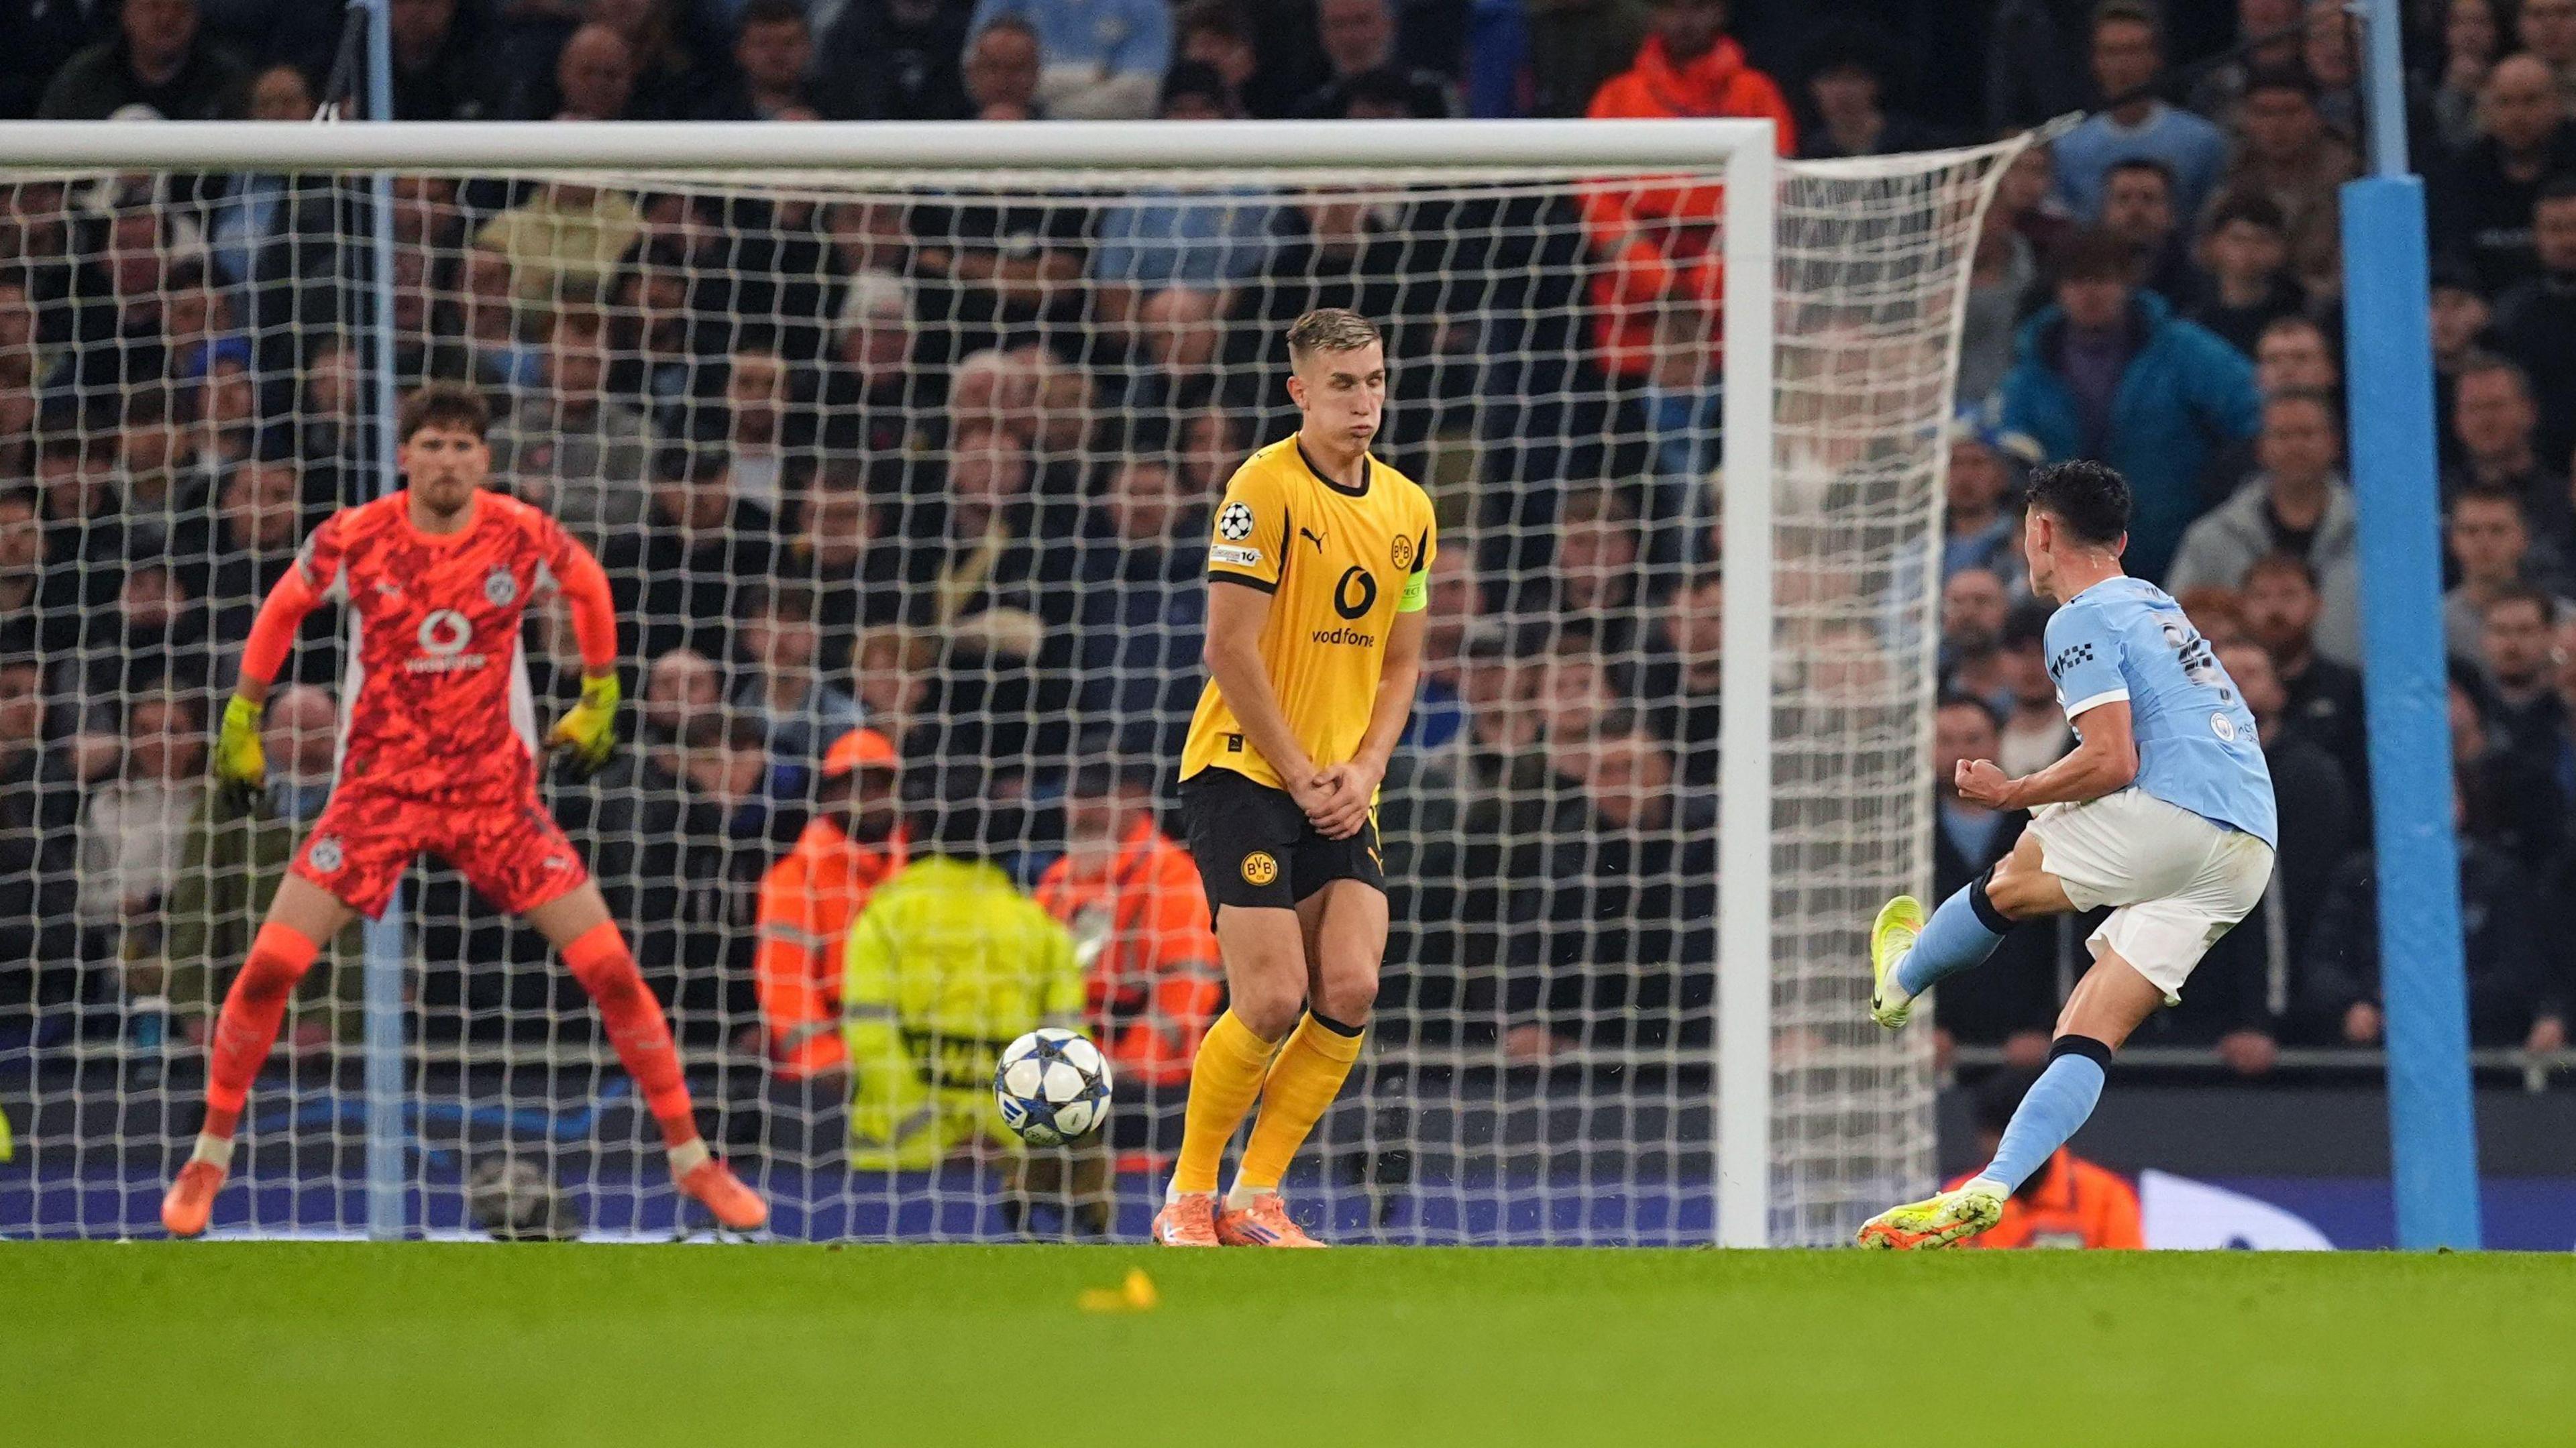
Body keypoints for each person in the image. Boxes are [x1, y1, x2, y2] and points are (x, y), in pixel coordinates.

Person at [158, 382, 765, 1237]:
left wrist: (601, 692)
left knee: (613, 972)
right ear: (405, 455)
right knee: (267, 970)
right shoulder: (357, 534)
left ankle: (694, 1160)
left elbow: (589, 583)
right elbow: (284, 605)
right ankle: (208, 1158)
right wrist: (242, 717)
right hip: (379, 795)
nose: (447, 459)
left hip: (493, 800)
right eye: (432, 444)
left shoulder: (520, 531)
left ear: (484, 457)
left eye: (462, 445)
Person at [1857, 459, 2276, 1249]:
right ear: (2121, 541)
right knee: (2087, 1030)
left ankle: (1899, 981)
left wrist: (2013, 790)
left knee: (2013, 875)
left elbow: (2112, 759)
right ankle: (1994, 1185)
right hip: (2249, 843)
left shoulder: (2078, 617)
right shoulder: (2157, 603)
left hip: (2178, 814)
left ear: (2043, 531)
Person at [1155, 307, 1438, 1249]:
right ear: (1300, 392)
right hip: (1243, 769)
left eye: (1375, 381)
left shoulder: (1410, 510)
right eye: (1344, 384)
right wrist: (1300, 771)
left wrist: (1365, 768)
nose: (1365, 403)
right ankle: (1188, 1195)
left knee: (1350, 984)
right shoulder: (1262, 488)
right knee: (1272, 995)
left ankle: (1256, 1197)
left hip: (1342, 785)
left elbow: (1401, 664)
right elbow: (1228, 648)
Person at [841, 750, 1097, 1228]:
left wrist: (935, 1129)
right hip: (1008, 1164)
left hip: (895, 1168)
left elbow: (870, 1038)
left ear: (915, 829)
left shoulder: (885, 915)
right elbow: (1068, 1054)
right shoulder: (1039, 928)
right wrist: (998, 1135)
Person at [1998, 228, 2262, 583]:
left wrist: (2219, 490)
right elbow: (2011, 453)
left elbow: (2254, 412)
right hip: (2073, 555)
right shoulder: (2031, 372)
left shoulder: (2183, 351)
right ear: (2059, 290)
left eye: (2103, 279)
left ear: (2127, 283)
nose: (2091, 293)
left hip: (2174, 549)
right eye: (2077, 281)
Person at [1577, 0, 1796, 381]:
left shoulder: (1756, 93)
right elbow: (1597, 200)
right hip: (1635, 313)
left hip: (1737, 311)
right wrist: (1660, 284)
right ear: (1653, 14)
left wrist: (1703, 288)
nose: (1683, 20)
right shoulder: (1618, 96)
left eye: (1696, 7)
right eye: (1671, 8)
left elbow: (1774, 194)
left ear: (1720, 12)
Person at [1034, 758, 1224, 1162]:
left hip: (1148, 1098)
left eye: (1096, 796)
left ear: (1134, 797)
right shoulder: (1056, 881)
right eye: (1076, 797)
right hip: (1062, 1088)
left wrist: (1115, 1071)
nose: (1083, 810)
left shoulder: (1173, 876)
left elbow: (1185, 994)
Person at [2165, 390, 2360, 667]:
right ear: (2261, 447)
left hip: (2358, 690)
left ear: (2334, 443)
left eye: (2307, 434)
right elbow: (2171, 634)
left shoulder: (2373, 538)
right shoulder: (2210, 539)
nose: (2295, 446)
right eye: (2282, 436)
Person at [753, 727, 904, 1082]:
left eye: (879, 786)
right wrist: (824, 1060)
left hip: (912, 1066)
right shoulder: (796, 878)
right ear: (830, 796)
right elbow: (786, 983)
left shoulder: (916, 869)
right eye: (855, 787)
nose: (868, 799)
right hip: (828, 1079)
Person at [2047, 1, 2229, 226]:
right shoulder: (2067, 148)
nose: (2122, 65)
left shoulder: (2201, 142)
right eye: (2112, 52)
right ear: (2096, 61)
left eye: (2133, 51)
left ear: (2155, 58)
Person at [1945, 1065, 2144, 1249]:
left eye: (2018, 1139)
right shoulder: (1959, 1198)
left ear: (2046, 1133)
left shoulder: (2104, 1196)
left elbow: (2127, 1269)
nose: (2008, 1152)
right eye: (1996, 1137)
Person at [38, 0, 250, 120]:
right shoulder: (85, 77)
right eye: (153, 6)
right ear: (126, 14)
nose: (167, 18)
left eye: (180, 7)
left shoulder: (226, 81)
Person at [965, 0, 1169, 119]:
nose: (1007, 79)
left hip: (1110, 145)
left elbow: (1138, 95)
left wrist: (1041, 114)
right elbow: (975, 67)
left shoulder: (1144, 5)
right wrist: (1093, 76)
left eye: (1020, 70)